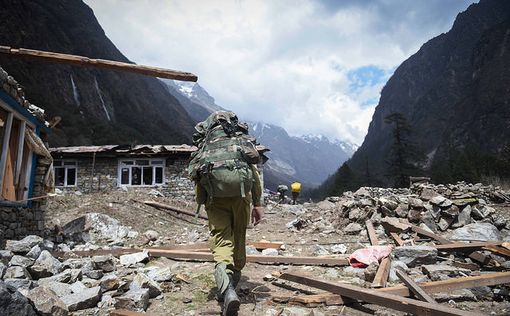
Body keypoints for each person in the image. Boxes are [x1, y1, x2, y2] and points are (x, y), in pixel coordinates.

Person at [188, 111, 264, 316]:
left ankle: (227, 290)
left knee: (221, 241)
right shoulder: (240, 142)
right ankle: (233, 280)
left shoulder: (206, 145)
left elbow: (197, 175)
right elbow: (254, 175)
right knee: (239, 235)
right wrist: (258, 204)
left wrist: (202, 201)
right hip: (241, 197)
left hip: (215, 199)